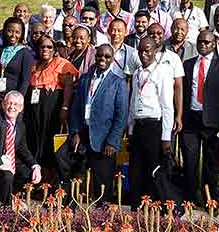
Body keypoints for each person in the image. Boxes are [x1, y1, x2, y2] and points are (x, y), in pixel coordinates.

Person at [69, 45, 129, 205]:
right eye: (100, 56)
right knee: (77, 179)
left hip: (104, 140)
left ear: (112, 59)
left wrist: (112, 141)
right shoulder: (85, 79)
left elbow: (121, 115)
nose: (102, 59)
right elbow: (76, 108)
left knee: (103, 184)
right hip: (83, 134)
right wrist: (75, 131)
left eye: (107, 57)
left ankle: (102, 218)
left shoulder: (118, 82)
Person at [180, 30, 219, 206]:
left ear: (213, 44)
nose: (203, 45)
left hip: (213, 122)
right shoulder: (187, 64)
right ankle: (190, 197)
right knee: (190, 160)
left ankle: (210, 197)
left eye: (207, 42)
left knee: (211, 163)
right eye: (200, 42)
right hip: (190, 119)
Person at [126, 37, 176, 207]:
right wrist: (131, 129)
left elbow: (167, 106)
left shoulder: (162, 72)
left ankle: (161, 206)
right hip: (139, 126)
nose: (143, 54)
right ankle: (138, 206)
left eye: (147, 50)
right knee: (137, 168)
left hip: (154, 126)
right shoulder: (137, 73)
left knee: (154, 168)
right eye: (140, 50)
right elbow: (133, 102)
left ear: (155, 51)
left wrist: (166, 137)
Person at [25, 36, 76, 184]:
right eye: (42, 46)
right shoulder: (34, 65)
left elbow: (68, 87)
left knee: (50, 145)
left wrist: (65, 107)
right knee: (36, 143)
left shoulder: (61, 64)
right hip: (35, 112)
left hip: (52, 110)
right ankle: (39, 181)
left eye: (49, 47)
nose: (45, 49)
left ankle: (53, 183)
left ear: (54, 50)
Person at [0, 91, 42, 204]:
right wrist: (0, 164)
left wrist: (35, 166)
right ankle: (6, 210)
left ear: (21, 108)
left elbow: (23, 149)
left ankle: (15, 198)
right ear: (3, 104)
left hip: (11, 163)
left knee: (30, 174)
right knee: (7, 175)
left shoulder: (20, 125)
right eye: (9, 103)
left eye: (16, 105)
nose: (12, 107)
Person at [145, 22, 185, 148]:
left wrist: (178, 115)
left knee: (166, 151)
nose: (155, 36)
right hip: (146, 113)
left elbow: (178, 87)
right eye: (151, 33)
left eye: (159, 33)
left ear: (164, 35)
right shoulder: (139, 55)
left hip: (167, 111)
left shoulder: (173, 58)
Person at [0, 17, 35, 109]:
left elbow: (25, 80)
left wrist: (17, 101)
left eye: (17, 32)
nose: (13, 35)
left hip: (13, 103)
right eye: (10, 31)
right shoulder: (0, 51)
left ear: (22, 34)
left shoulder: (25, 53)